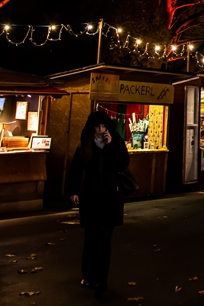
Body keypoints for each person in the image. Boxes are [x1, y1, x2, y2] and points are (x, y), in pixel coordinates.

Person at [65, 110, 130, 296]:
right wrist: (74, 191)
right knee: (91, 239)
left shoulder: (115, 141)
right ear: (92, 128)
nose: (101, 130)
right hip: (91, 197)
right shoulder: (86, 144)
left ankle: (101, 280)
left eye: (104, 126)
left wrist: (111, 146)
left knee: (105, 240)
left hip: (110, 197)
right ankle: (88, 275)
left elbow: (123, 163)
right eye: (98, 126)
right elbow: (76, 169)